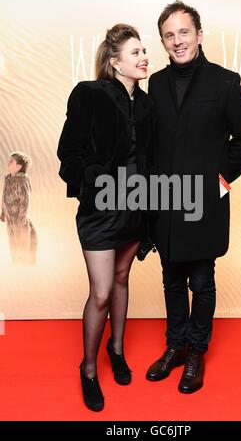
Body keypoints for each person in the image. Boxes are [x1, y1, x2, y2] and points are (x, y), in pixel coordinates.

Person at [146, 1, 241, 393]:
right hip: (166, 202)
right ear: (163, 41)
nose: (177, 41)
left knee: (202, 281)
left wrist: (219, 184)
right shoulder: (155, 84)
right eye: (169, 35)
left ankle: (196, 351)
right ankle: (174, 347)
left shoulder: (225, 82)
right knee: (171, 279)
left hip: (205, 203)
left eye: (184, 32)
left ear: (199, 35)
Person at [57, 24, 154, 411]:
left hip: (136, 210)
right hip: (100, 211)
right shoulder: (89, 94)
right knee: (99, 292)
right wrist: (93, 187)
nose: (144, 57)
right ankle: (88, 369)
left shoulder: (147, 104)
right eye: (135, 52)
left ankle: (116, 350)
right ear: (114, 62)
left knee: (120, 278)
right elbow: (69, 153)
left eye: (144, 50)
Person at [0, 152, 37, 265]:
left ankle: (25, 269)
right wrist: (3, 212)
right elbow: (4, 197)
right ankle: (17, 267)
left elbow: (25, 200)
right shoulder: (8, 179)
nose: (8, 163)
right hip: (10, 220)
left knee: (22, 245)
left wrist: (22, 217)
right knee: (13, 245)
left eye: (11, 161)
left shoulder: (22, 180)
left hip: (20, 220)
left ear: (19, 166)